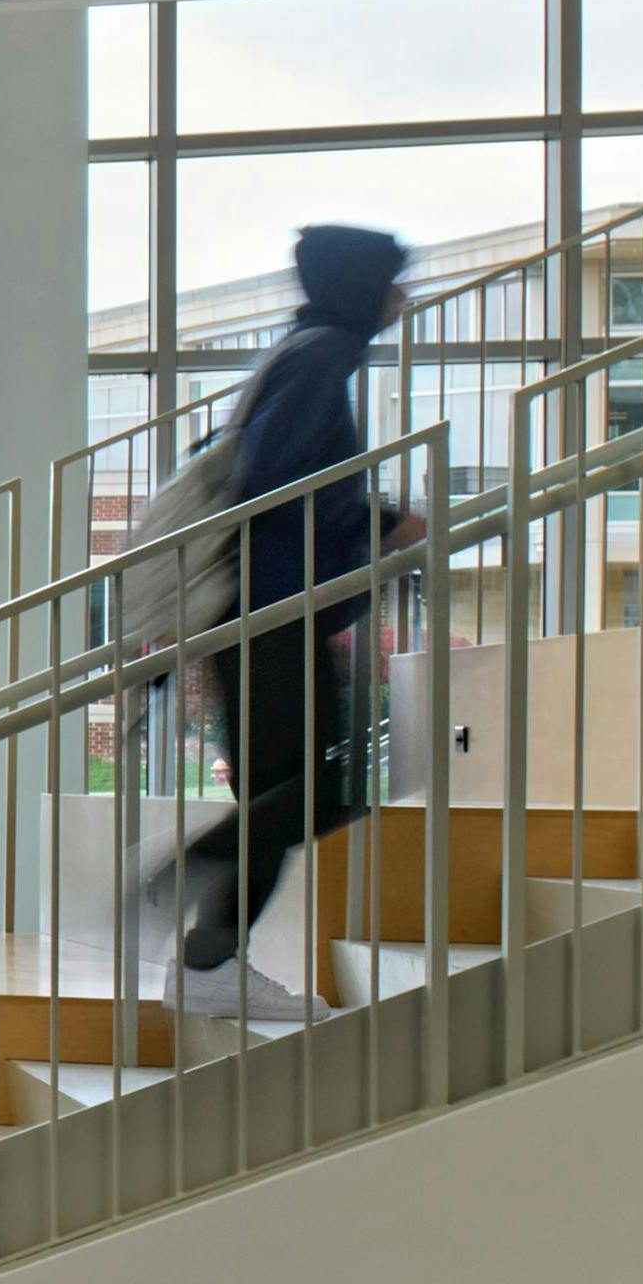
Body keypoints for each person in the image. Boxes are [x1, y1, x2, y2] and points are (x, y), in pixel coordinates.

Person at [160, 223, 412, 1017]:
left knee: (296, 791)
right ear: (361, 287)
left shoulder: (303, 350)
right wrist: (387, 522)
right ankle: (193, 881)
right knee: (315, 791)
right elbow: (278, 483)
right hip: (272, 610)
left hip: (260, 607)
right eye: (393, 281)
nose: (405, 297)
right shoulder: (322, 355)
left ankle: (207, 966)